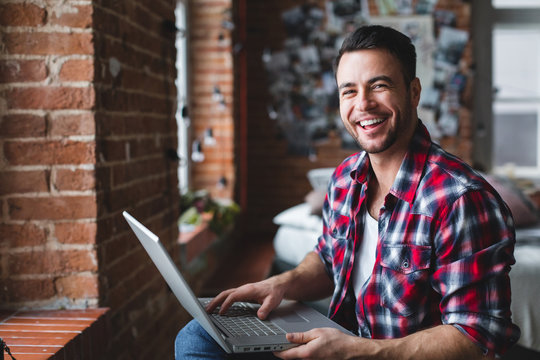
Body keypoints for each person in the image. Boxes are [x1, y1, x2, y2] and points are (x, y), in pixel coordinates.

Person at [175, 25, 520, 359]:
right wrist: (281, 284)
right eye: (349, 91)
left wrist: (358, 352)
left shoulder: (461, 199)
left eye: (379, 85)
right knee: (200, 336)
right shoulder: (345, 177)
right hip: (345, 345)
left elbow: (476, 339)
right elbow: (329, 260)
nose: (363, 104)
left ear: (413, 92)